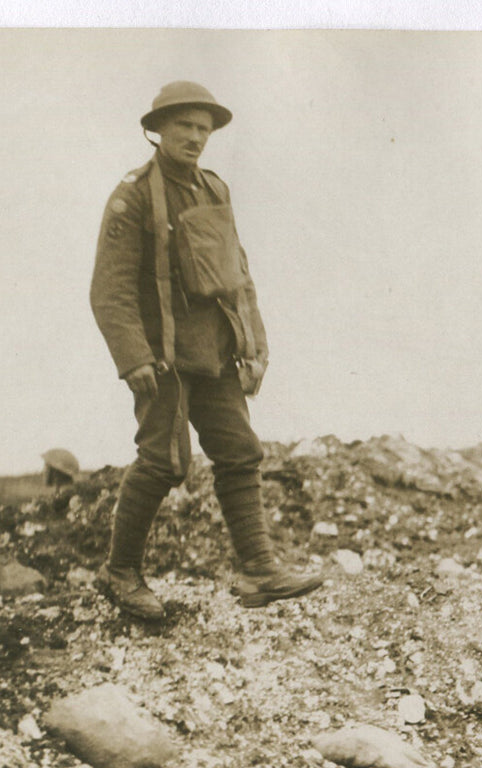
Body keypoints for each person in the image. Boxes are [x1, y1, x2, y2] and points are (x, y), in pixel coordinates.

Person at [90, 80, 322, 621]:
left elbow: (237, 275)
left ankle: (258, 568)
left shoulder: (215, 190)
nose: (196, 137)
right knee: (164, 462)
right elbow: (110, 289)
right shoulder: (132, 196)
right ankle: (120, 572)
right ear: (158, 130)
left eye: (203, 128)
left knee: (241, 452)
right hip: (163, 356)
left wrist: (254, 344)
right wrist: (133, 357)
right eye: (184, 127)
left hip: (215, 350)